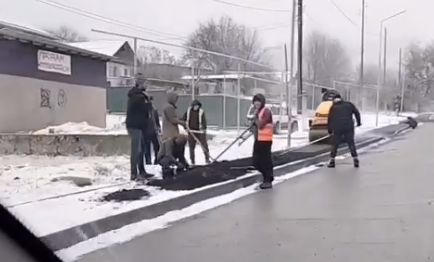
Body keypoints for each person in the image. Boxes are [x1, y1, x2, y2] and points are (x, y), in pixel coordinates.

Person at [125, 75, 154, 180]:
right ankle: (134, 173)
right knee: (136, 150)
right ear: (140, 84)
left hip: (141, 126)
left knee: (141, 150)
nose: (147, 85)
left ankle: (141, 171)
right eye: (145, 83)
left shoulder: (140, 96)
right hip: (135, 126)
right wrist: (147, 101)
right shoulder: (136, 96)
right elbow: (145, 108)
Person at [327, 93, 362, 168]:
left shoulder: (333, 107)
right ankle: (355, 159)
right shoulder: (349, 105)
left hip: (337, 128)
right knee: (351, 143)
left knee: (335, 144)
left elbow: (329, 120)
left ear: (334, 100)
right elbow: (357, 113)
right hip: (348, 127)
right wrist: (358, 122)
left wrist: (330, 130)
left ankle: (332, 161)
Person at [251, 94, 274, 190]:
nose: (256, 103)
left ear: (262, 102)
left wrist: (255, 119)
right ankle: (268, 176)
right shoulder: (258, 112)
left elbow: (261, 124)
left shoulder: (266, 111)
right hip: (258, 140)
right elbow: (255, 126)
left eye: (258, 101)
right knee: (256, 161)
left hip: (266, 140)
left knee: (265, 161)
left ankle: (267, 180)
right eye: (255, 101)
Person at [182, 99, 210, 165]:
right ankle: (192, 161)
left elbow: (204, 122)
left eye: (197, 106)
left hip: (200, 132)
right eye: (195, 106)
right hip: (191, 131)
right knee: (191, 147)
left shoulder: (201, 112)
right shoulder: (188, 111)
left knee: (204, 146)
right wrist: (185, 127)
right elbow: (183, 119)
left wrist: (203, 128)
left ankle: (207, 159)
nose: (196, 107)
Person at [143, 96, 161, 164]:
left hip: (153, 130)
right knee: (147, 148)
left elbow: (156, 120)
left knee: (157, 147)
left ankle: (156, 160)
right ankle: (148, 161)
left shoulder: (154, 110)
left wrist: (158, 127)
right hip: (147, 131)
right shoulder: (144, 110)